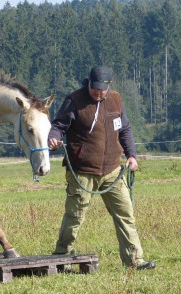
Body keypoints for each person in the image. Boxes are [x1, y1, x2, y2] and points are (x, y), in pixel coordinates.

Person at [48, 65, 155, 270]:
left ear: (109, 85)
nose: (98, 93)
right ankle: (61, 257)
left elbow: (125, 129)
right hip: (82, 171)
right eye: (94, 88)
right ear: (88, 83)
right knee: (75, 216)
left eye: (102, 90)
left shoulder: (115, 99)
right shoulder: (74, 100)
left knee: (126, 213)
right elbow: (58, 126)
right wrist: (53, 138)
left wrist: (131, 155)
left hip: (112, 171)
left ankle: (134, 260)